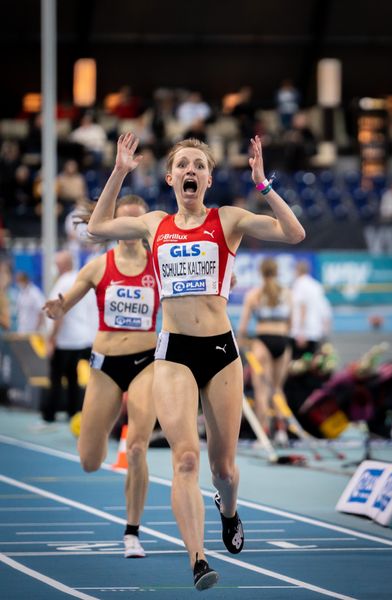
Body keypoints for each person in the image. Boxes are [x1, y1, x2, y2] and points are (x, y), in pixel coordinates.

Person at [87, 132, 305, 590]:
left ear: (207, 178)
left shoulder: (228, 220)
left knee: (222, 468)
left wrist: (264, 185)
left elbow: (294, 232)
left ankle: (228, 510)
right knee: (185, 459)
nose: (190, 171)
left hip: (221, 352)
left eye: (198, 165)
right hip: (174, 353)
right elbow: (97, 227)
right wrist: (120, 172)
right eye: (182, 164)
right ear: (170, 178)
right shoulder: (154, 224)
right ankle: (198, 559)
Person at [43, 196, 160, 558]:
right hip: (105, 365)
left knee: (137, 446)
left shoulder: (159, 266)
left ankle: (132, 532)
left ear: (145, 227)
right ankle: (127, 520)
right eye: (122, 221)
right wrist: (58, 306)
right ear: (111, 224)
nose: (128, 230)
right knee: (90, 461)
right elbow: (68, 299)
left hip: (147, 362)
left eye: (135, 222)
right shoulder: (97, 267)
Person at [237, 258, 292, 439]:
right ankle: (282, 431)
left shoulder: (254, 294)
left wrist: (242, 342)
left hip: (262, 343)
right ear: (277, 272)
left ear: (261, 273)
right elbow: (291, 324)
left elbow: (243, 327)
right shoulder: (287, 294)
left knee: (262, 391)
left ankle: (264, 432)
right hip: (283, 342)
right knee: (277, 389)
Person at [40, 251, 97, 425]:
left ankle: (49, 414)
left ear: (62, 265)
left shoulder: (63, 283)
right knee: (72, 377)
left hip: (65, 340)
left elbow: (59, 312)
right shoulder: (82, 280)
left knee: (56, 378)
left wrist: (51, 339)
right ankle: (73, 411)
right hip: (83, 338)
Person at [290, 260, 332, 360]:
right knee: (312, 365)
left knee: (298, 367)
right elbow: (325, 309)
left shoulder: (299, 284)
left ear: (297, 271)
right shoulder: (316, 286)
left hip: (303, 333)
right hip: (315, 332)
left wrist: (301, 332)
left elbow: (303, 308)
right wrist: (325, 330)